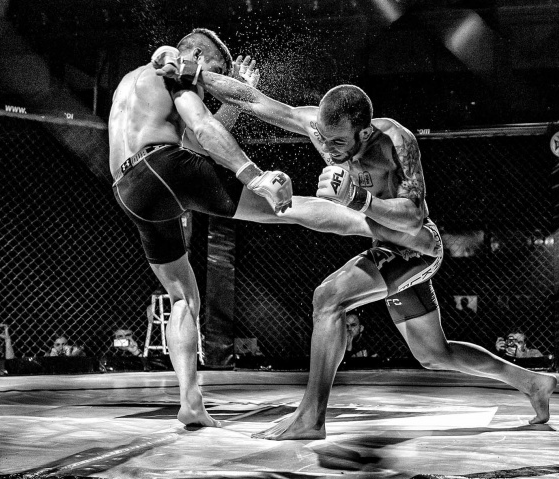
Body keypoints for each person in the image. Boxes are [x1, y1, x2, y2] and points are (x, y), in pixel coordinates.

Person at [160, 66, 558, 439]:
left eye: (339, 142)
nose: (330, 150)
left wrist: (358, 198)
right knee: (434, 354)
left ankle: (311, 417)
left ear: (364, 132)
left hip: (416, 248)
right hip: (387, 248)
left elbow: (414, 218)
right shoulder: (320, 128)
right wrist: (194, 74)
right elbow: (252, 99)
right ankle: (532, 382)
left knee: (328, 298)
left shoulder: (395, 141)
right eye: (324, 138)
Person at [110, 29, 438, 429]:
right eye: (216, 69)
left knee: (183, 297)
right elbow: (204, 129)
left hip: (129, 189)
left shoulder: (131, 82)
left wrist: (232, 90)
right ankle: (397, 234)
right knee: (283, 206)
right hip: (166, 166)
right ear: (195, 53)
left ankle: (190, 401)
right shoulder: (175, 69)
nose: (215, 79)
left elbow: (217, 125)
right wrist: (254, 176)